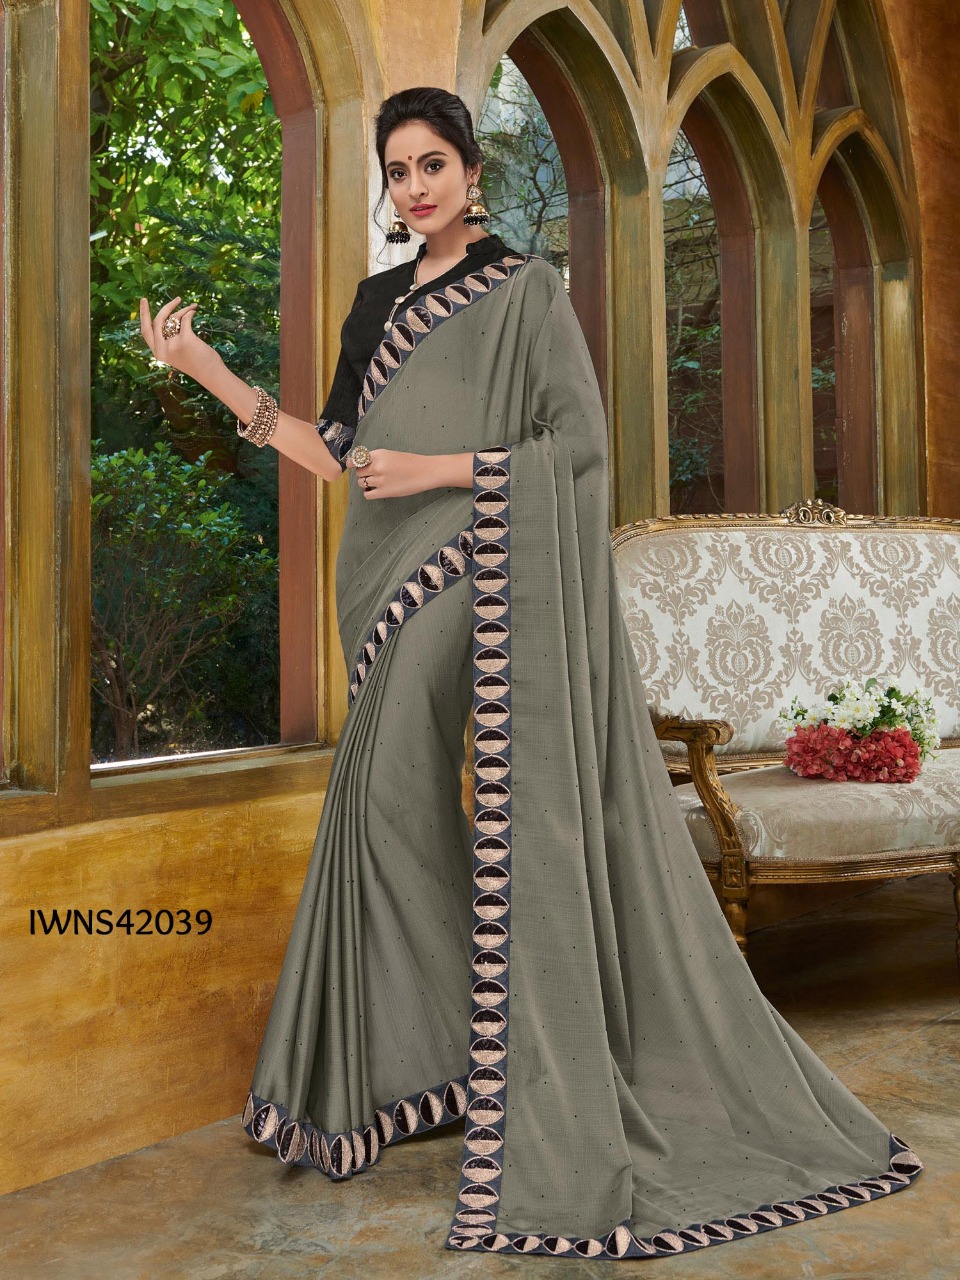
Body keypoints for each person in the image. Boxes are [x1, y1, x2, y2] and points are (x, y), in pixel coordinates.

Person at [139, 86, 921, 1262]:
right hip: (378, 578)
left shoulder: (525, 289)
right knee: (387, 806)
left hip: (476, 562)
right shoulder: (376, 302)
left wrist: (442, 468)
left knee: (404, 792)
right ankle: (467, 1051)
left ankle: (523, 1044)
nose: (415, 186)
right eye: (398, 169)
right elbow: (333, 454)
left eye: (433, 163)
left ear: (471, 170)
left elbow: (578, 449)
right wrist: (203, 363)